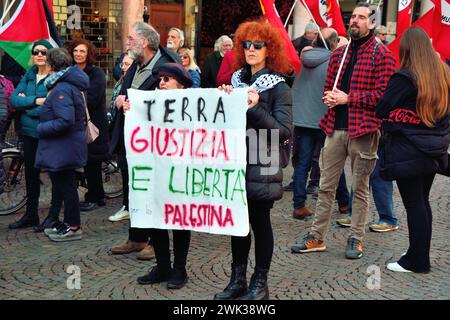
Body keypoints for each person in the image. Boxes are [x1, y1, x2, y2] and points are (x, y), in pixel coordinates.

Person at [291, 2, 396, 259]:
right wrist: (330, 99)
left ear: (372, 23)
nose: (355, 21)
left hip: (364, 130)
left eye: (361, 17)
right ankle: (317, 237)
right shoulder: (338, 54)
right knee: (326, 187)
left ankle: (355, 239)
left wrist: (349, 99)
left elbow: (384, 97)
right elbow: (329, 90)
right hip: (334, 128)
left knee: (360, 189)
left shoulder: (381, 55)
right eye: (353, 17)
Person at [214, 18, 293, 300]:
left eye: (258, 45)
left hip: (264, 159)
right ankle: (238, 280)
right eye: (246, 44)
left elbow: (283, 132)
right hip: (236, 160)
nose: (251, 49)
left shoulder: (279, 88)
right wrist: (224, 102)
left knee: (260, 223)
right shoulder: (236, 81)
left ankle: (260, 283)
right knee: (237, 222)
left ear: (269, 49)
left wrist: (254, 107)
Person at [377, 27, 450, 273]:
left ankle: (417, 261)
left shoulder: (405, 78)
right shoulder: (443, 73)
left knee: (414, 204)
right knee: (422, 202)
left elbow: (382, 108)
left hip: (408, 149)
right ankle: (418, 253)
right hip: (433, 149)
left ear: (406, 49)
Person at [109, 21, 180, 261]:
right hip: (132, 139)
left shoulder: (165, 66)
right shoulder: (136, 66)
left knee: (153, 190)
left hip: (155, 142)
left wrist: (138, 106)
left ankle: (154, 241)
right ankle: (136, 237)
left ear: (145, 42)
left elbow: (171, 100)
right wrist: (121, 100)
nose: (127, 43)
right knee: (133, 188)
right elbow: (125, 93)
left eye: (131, 39)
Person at [134, 63, 193, 289]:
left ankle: (179, 269)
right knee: (155, 218)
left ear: (180, 83)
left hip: (181, 171)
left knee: (179, 220)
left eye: (167, 79)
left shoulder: (194, 104)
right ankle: (162, 266)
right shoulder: (150, 103)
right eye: (160, 79)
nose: (162, 83)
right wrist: (130, 107)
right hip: (156, 170)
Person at [290, 28, 349, 220]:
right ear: (333, 43)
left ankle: (299, 205)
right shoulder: (335, 61)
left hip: (302, 119)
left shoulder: (301, 59)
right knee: (333, 163)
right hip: (325, 120)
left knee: (302, 164)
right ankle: (344, 203)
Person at [37, 48, 88, 241]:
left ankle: (73, 227)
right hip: (64, 146)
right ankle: (68, 224)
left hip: (65, 147)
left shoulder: (63, 88)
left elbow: (65, 120)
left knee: (67, 187)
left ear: (51, 65)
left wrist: (41, 128)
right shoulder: (65, 84)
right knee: (65, 186)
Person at [8, 40, 53, 230]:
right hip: (29, 133)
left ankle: (54, 215)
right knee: (31, 175)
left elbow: (50, 106)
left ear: (50, 55)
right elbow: (13, 100)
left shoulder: (54, 77)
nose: (40, 55)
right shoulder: (29, 75)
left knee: (55, 174)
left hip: (48, 133)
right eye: (36, 52)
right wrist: (36, 101)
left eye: (44, 52)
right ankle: (31, 214)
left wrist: (27, 105)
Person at [66, 39, 109, 212]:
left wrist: (72, 98)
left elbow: (93, 98)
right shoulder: (70, 71)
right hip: (76, 122)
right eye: (75, 51)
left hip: (93, 123)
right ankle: (96, 194)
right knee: (85, 161)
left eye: (82, 51)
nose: (78, 54)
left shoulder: (96, 72)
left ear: (88, 54)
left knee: (93, 162)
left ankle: (96, 196)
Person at [107, 53, 133, 222]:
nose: (123, 67)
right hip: (121, 127)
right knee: (124, 168)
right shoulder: (120, 82)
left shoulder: (133, 82)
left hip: (131, 131)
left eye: (127, 64)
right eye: (122, 64)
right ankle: (126, 204)